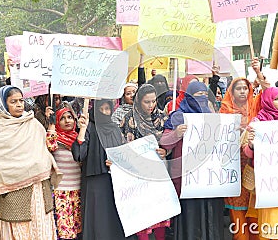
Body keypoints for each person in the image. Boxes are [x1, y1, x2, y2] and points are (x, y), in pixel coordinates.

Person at [0, 85, 62, 240]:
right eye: (13, 102)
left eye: (21, 100)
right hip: (12, 193)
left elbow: (47, 149)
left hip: (38, 190)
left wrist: (51, 127)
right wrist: (25, 168)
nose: (19, 105)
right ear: (4, 104)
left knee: (41, 228)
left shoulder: (33, 124)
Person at [160, 81, 225, 240]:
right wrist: (176, 134)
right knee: (189, 216)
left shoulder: (212, 115)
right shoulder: (178, 116)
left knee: (209, 214)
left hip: (209, 177)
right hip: (186, 178)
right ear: (189, 97)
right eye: (197, 96)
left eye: (204, 95)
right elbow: (164, 142)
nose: (201, 99)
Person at [71, 99, 129, 240]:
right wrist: (82, 130)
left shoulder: (115, 129)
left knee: (111, 217)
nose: (104, 112)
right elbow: (79, 154)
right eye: (101, 109)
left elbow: (121, 154)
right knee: (96, 218)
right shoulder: (89, 127)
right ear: (95, 110)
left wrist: (115, 162)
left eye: (107, 109)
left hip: (113, 180)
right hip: (94, 181)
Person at [245, 87, 278, 240]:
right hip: (267, 180)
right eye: (276, 98)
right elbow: (247, 152)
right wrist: (252, 144)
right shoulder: (258, 122)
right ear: (267, 100)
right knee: (268, 218)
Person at [120, 84, 169, 240]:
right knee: (143, 214)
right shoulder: (129, 118)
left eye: (153, 101)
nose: (151, 105)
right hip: (138, 174)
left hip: (158, 172)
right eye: (147, 102)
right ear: (138, 101)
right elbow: (123, 146)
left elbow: (169, 142)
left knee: (160, 213)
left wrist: (166, 151)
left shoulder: (162, 117)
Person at [220, 77, 261, 240]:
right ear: (232, 91)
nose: (243, 91)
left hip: (252, 168)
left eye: (245, 88)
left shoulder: (255, 108)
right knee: (239, 223)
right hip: (234, 169)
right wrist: (232, 131)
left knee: (255, 219)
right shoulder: (225, 110)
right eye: (239, 89)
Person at [47, 103, 82, 240]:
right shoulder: (55, 139)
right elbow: (50, 146)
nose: (67, 121)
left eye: (70, 117)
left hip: (79, 191)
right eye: (62, 118)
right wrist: (50, 126)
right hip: (61, 192)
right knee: (66, 233)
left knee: (79, 230)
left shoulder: (79, 138)